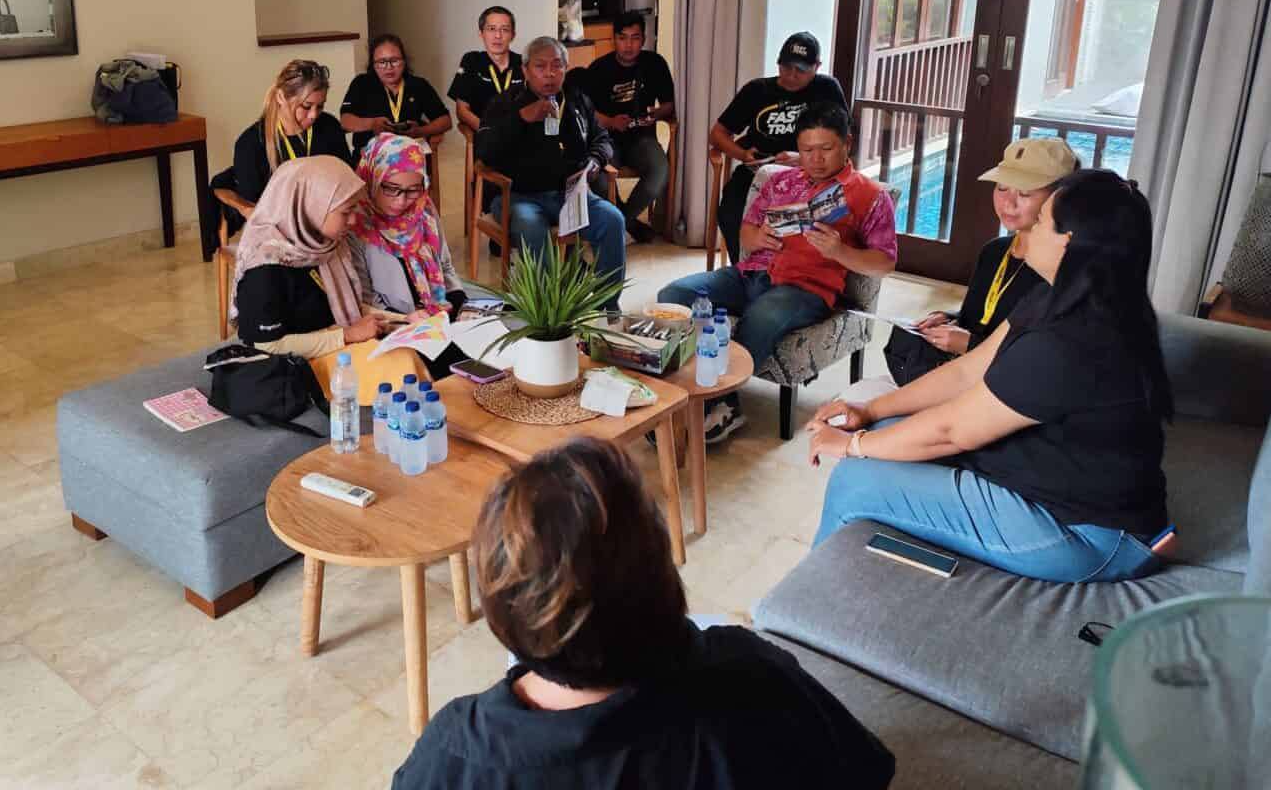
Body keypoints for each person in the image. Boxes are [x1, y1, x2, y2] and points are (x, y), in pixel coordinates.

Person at [392, 438, 895, 790]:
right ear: (662, 576)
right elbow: (862, 771)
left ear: (501, 611)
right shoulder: (754, 680)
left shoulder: (451, 753)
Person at [808, 170, 1172, 584]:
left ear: (1068, 242)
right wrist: (869, 410)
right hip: (1047, 483)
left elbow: (952, 431)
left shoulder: (1076, 340)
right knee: (887, 431)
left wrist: (851, 445)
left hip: (1087, 534)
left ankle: (806, 604)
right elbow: (967, 370)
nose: (1028, 228)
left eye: (1041, 221)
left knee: (856, 479)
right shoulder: (1057, 295)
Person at [660, 105, 896, 443]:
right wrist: (758, 237)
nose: (816, 159)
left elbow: (885, 262)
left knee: (763, 317)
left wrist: (839, 251)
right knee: (674, 296)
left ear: (847, 143)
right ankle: (685, 384)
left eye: (826, 149)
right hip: (750, 274)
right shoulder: (780, 180)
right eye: (807, 150)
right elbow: (745, 233)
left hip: (805, 289)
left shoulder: (871, 196)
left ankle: (717, 403)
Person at [885, 137, 1079, 385]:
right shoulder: (994, 251)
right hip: (961, 369)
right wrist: (948, 318)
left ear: (1059, 198)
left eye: (1025, 193)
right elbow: (979, 316)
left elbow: (1040, 362)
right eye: (1002, 188)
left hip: (1003, 386)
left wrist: (970, 345)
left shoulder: (1056, 270)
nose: (1008, 203)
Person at [476, 37, 625, 308]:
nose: (549, 74)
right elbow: (484, 152)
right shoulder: (505, 103)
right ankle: (549, 311)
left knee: (613, 220)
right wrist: (521, 119)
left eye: (557, 66)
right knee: (532, 227)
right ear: (525, 70)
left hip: (571, 195)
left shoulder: (577, 99)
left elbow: (602, 139)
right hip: (520, 197)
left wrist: (594, 161)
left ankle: (607, 307)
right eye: (540, 66)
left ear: (566, 68)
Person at [710, 32, 847, 262]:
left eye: (801, 70)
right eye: (786, 67)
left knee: (802, 223)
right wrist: (742, 154)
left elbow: (843, 142)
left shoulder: (826, 89)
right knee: (730, 212)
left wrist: (803, 158)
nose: (792, 75)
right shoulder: (757, 90)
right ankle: (744, 269)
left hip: (809, 172)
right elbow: (717, 134)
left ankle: (780, 271)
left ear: (817, 67)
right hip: (758, 172)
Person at [230, 157, 383, 357]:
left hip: (335, 346)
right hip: (296, 365)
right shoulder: (265, 267)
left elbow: (348, 306)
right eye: (346, 212)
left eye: (354, 209)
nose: (353, 220)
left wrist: (403, 321)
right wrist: (347, 335)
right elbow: (268, 346)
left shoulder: (323, 243)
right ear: (311, 207)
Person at [347, 133, 469, 378]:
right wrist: (407, 320)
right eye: (391, 189)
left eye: (413, 190)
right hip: (396, 325)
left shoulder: (423, 209)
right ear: (373, 177)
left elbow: (445, 265)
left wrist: (459, 304)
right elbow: (364, 299)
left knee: (487, 351)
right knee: (447, 372)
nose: (402, 201)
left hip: (436, 315)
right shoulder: (355, 222)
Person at [584, 13, 676, 244]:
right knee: (598, 178)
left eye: (635, 38)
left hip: (642, 138)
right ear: (613, 39)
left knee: (659, 170)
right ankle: (631, 224)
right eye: (622, 38)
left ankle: (622, 221)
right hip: (606, 139)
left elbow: (669, 104)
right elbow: (585, 112)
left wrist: (655, 114)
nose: (628, 45)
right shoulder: (598, 68)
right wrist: (610, 121)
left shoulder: (655, 63)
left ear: (643, 39)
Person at [232, 60, 352, 209]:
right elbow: (255, 209)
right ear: (281, 97)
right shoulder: (251, 144)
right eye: (306, 106)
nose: (314, 115)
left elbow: (348, 181)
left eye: (320, 106)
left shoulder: (330, 127)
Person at [340, 34, 453, 158]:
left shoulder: (418, 85)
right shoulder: (361, 83)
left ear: (404, 61)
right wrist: (372, 124)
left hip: (410, 152)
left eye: (394, 61)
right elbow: (345, 120)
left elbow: (445, 120)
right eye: (382, 62)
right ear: (373, 64)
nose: (389, 67)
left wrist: (420, 131)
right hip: (371, 154)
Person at [449, 6, 525, 132]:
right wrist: (488, 131)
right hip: (483, 134)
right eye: (491, 29)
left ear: (513, 35)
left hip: (518, 136)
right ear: (481, 33)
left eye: (505, 30)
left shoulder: (524, 64)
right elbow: (462, 111)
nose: (498, 35)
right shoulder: (472, 60)